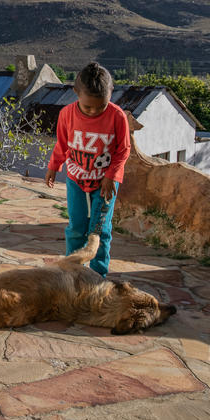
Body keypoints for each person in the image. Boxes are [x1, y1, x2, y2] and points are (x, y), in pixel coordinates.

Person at [44, 62, 130, 277]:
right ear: (76, 93)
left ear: (111, 93)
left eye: (100, 106)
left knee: (99, 231)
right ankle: (73, 272)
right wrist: (54, 166)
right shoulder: (66, 114)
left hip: (106, 183)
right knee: (76, 227)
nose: (94, 111)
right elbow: (62, 143)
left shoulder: (117, 116)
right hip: (76, 178)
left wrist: (111, 175)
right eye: (88, 107)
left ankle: (98, 275)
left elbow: (123, 150)